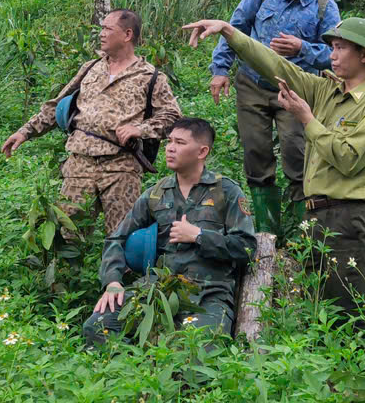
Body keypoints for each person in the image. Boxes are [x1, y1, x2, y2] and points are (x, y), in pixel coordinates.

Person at [183, 16, 365, 326]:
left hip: (349, 219)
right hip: (315, 216)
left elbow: (348, 157)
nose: (332, 55)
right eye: (332, 48)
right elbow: (279, 68)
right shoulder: (327, 89)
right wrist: (232, 33)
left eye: (340, 48)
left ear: (364, 55)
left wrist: (306, 118)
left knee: (348, 321)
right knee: (317, 316)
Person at [208, 0, 341, 239]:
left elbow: (335, 56)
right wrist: (220, 69)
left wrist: (302, 49)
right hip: (252, 85)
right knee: (256, 155)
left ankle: (300, 233)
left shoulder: (324, 7)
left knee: (297, 157)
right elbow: (235, 27)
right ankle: (267, 233)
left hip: (293, 93)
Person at [1, 9, 181, 235]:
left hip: (121, 166)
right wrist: (24, 132)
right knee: (68, 235)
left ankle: (116, 271)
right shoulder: (90, 68)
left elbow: (172, 116)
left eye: (107, 28)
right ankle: (66, 272)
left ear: (127, 34)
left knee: (122, 236)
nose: (101, 34)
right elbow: (57, 106)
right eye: (101, 28)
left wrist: (140, 129)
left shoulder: (150, 76)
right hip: (79, 163)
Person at [83, 117, 257, 345]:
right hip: (159, 289)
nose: (170, 148)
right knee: (97, 327)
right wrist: (113, 281)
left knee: (199, 348)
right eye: (169, 142)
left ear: (202, 151)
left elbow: (246, 248)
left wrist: (198, 236)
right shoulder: (156, 193)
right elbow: (117, 237)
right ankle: (139, 371)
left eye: (180, 143)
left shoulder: (226, 192)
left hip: (207, 293)